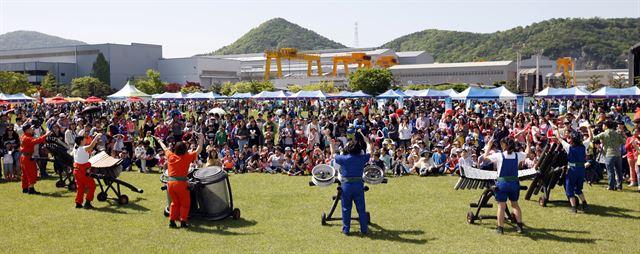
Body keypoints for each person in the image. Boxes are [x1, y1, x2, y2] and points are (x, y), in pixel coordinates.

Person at [483, 136, 530, 234]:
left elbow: (485, 158)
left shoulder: (499, 155)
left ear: (503, 145)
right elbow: (527, 153)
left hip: (502, 183)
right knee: (515, 205)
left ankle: (500, 228)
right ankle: (519, 227)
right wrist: (528, 142)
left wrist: (489, 146)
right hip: (514, 183)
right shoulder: (518, 155)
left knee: (501, 206)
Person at [157, 133, 203, 228]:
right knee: (185, 203)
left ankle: (172, 221)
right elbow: (199, 150)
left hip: (170, 183)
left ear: (175, 149)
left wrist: (159, 141)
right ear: (185, 150)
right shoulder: (187, 157)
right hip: (181, 184)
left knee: (174, 203)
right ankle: (183, 221)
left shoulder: (171, 156)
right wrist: (201, 139)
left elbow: (164, 148)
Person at [332, 129, 371, 236]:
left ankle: (346, 230)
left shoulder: (343, 158)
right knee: (361, 209)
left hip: (346, 186)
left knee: (346, 208)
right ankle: (364, 230)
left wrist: (331, 144)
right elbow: (370, 152)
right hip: (358, 185)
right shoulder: (362, 158)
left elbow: (332, 155)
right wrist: (367, 142)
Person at [554, 130, 589, 213]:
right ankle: (584, 203)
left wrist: (556, 132)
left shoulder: (569, 147)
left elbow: (560, 139)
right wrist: (588, 128)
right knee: (578, 188)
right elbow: (590, 138)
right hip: (582, 169)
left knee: (569, 188)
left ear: (573, 139)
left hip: (573, 170)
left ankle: (574, 208)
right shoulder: (584, 146)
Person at [592, 120, 626, 190]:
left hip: (609, 154)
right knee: (619, 171)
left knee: (610, 171)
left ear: (606, 126)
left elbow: (593, 138)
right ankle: (619, 186)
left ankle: (611, 186)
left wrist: (591, 131)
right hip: (618, 154)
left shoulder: (604, 133)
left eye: (603, 125)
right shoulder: (617, 133)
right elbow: (624, 141)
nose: (602, 126)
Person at [19, 122, 51, 194]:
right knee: (32, 173)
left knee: (25, 174)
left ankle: (25, 188)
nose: (32, 129)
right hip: (28, 157)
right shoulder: (27, 138)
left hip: (24, 156)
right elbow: (37, 141)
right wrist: (46, 135)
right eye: (30, 128)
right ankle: (31, 188)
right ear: (27, 130)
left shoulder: (23, 136)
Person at [73, 133, 102, 209]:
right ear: (81, 141)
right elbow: (91, 146)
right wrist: (96, 137)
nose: (85, 139)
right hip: (83, 170)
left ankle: (78, 203)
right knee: (92, 186)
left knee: (80, 187)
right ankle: (88, 202)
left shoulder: (75, 148)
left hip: (76, 170)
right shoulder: (83, 148)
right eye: (84, 139)